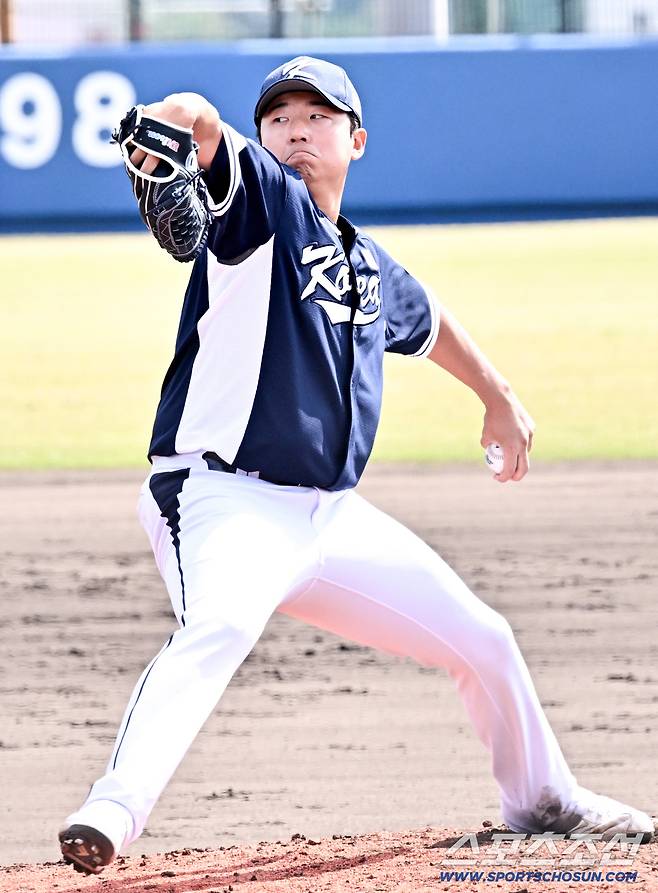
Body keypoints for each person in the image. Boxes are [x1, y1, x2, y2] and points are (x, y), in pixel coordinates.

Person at [59, 56, 654, 875]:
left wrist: (499, 395)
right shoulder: (265, 209)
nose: (296, 131)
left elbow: (429, 320)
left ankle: (543, 798)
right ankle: (112, 810)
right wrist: (178, 119)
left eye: (317, 117)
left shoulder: (366, 262)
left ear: (356, 140)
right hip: (224, 499)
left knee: (483, 637)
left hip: (330, 519)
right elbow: (199, 117)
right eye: (279, 119)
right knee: (219, 625)